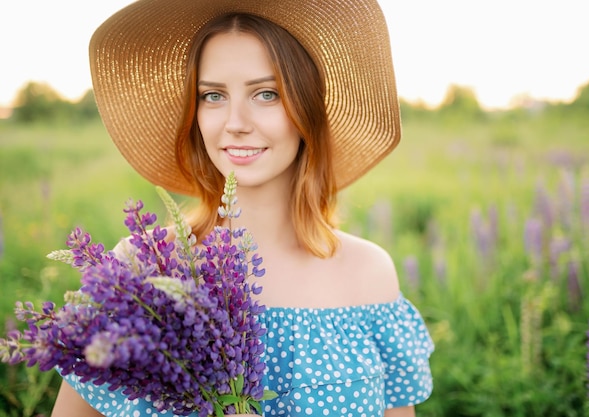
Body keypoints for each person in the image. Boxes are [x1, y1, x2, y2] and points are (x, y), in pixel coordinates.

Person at [51, 0, 434, 416]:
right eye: (213, 95)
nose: (235, 121)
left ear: (305, 108)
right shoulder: (141, 273)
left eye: (266, 94)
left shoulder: (368, 273)